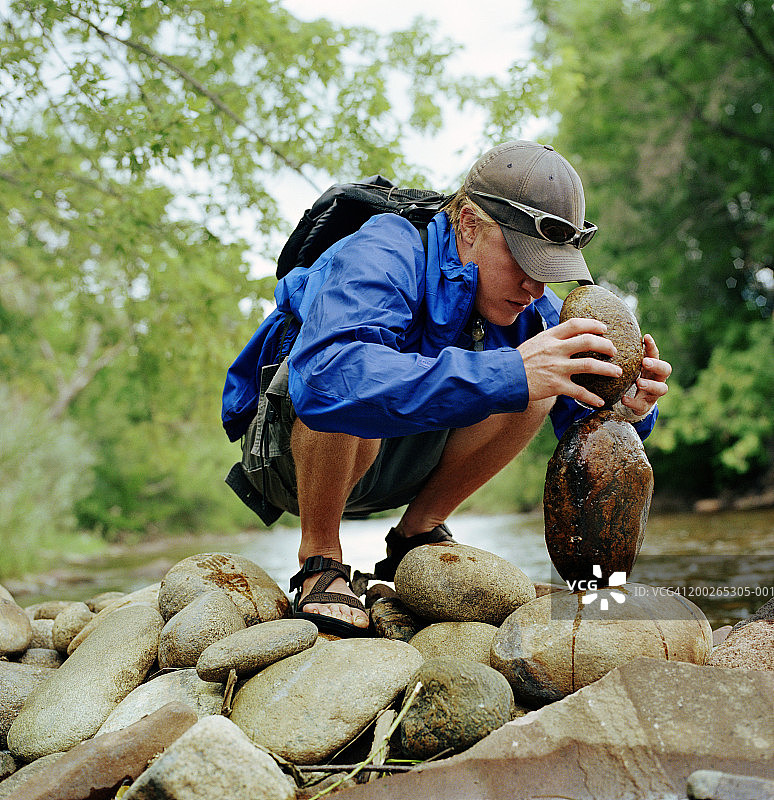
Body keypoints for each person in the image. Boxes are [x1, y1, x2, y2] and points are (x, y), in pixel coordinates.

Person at [222, 140, 671, 637]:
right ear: (469, 225)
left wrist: (627, 409)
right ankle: (320, 557)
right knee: (350, 376)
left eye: (547, 271)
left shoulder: (527, 309)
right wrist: (509, 372)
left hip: (400, 464)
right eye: (524, 261)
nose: (535, 288)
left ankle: (414, 538)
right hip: (291, 458)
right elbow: (327, 384)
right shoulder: (382, 249)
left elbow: (582, 421)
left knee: (540, 380)